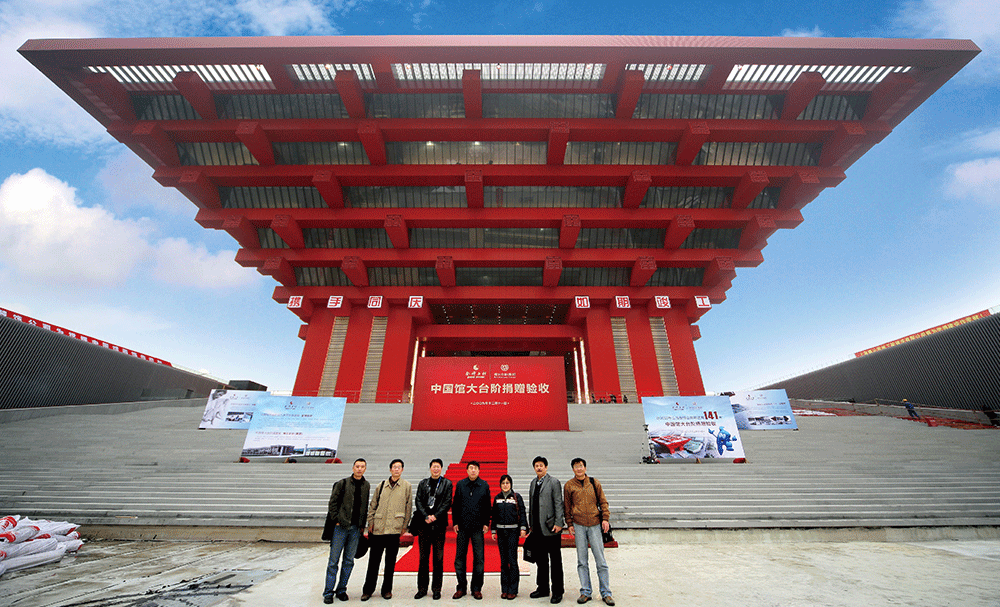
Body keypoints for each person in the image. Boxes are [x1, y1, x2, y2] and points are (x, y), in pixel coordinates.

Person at [564, 458, 614, 606]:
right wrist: (569, 523)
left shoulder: (594, 483)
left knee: (600, 560)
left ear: (585, 468)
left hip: (594, 524)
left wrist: (605, 518)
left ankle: (606, 592)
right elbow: (567, 506)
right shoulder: (569, 485)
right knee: (582, 561)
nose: (579, 469)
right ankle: (585, 591)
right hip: (578, 525)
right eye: (576, 466)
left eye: (581, 466)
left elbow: (603, 501)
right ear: (573, 469)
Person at [362, 459, 412, 601]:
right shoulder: (381, 485)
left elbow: (408, 507)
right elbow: (373, 505)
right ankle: (368, 590)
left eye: (399, 467)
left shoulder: (406, 486)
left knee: (390, 562)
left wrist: (404, 526)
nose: (396, 469)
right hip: (378, 528)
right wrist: (371, 522)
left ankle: (387, 590)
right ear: (390, 469)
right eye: (394, 467)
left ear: (402, 470)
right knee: (373, 562)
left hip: (394, 529)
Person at [322, 458, 371, 604]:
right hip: (340, 528)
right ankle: (328, 592)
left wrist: (362, 525)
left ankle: (341, 590)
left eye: (362, 467)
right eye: (357, 466)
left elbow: (364, 506)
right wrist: (337, 519)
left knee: (349, 561)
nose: (359, 469)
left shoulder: (366, 485)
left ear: (365, 469)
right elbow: (332, 503)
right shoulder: (342, 483)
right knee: (333, 561)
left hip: (355, 529)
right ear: (353, 468)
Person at [527, 456, 565, 604]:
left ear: (546, 467)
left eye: (541, 465)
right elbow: (532, 504)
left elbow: (558, 503)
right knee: (541, 561)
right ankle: (543, 588)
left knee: (555, 561)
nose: (539, 468)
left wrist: (559, 523)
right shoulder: (533, 483)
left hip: (551, 528)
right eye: (536, 465)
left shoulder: (553, 482)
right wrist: (531, 524)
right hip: (537, 529)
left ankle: (557, 591)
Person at [452, 461, 491, 600]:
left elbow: (487, 505)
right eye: (471, 468)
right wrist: (455, 522)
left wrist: (486, 523)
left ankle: (476, 588)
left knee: (479, 559)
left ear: (479, 471)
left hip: (477, 527)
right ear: (467, 470)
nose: (473, 470)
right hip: (462, 527)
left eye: (475, 468)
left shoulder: (484, 485)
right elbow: (455, 504)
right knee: (459, 559)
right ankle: (461, 587)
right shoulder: (461, 484)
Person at [414, 458, 453, 600]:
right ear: (430, 468)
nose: (435, 469)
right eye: (433, 466)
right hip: (424, 524)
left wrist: (435, 516)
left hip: (439, 525)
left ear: (441, 468)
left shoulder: (447, 483)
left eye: (438, 467)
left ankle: (437, 589)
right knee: (423, 558)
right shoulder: (423, 483)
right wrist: (426, 515)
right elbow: (418, 501)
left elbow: (447, 502)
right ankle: (422, 588)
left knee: (438, 558)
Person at [491, 474, 527, 600]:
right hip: (501, 532)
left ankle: (513, 589)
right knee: (503, 561)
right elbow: (494, 515)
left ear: (511, 484)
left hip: (513, 532)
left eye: (507, 483)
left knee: (512, 561)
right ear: (500, 485)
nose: (505, 485)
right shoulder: (497, 498)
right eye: (503, 483)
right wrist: (493, 530)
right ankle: (505, 589)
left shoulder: (516, 497)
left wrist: (523, 527)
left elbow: (522, 512)